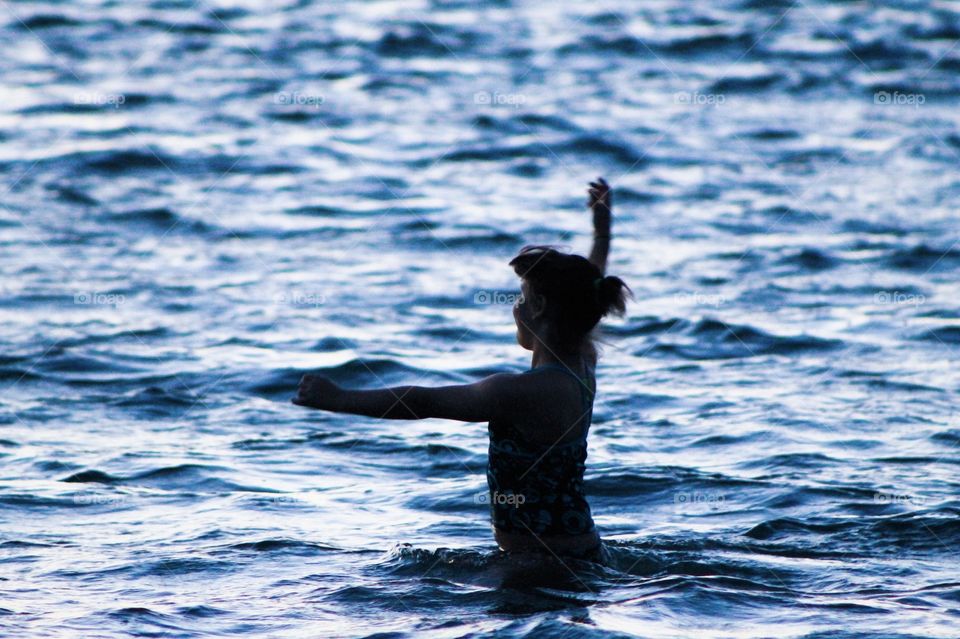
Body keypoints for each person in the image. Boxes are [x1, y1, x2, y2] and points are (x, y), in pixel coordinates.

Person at [293, 178, 630, 563]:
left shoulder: (518, 392)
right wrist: (602, 231)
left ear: (538, 309)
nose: (515, 308)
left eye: (520, 299)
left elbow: (423, 401)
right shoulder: (583, 366)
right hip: (579, 554)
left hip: (544, 566)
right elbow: (589, 286)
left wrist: (339, 399)